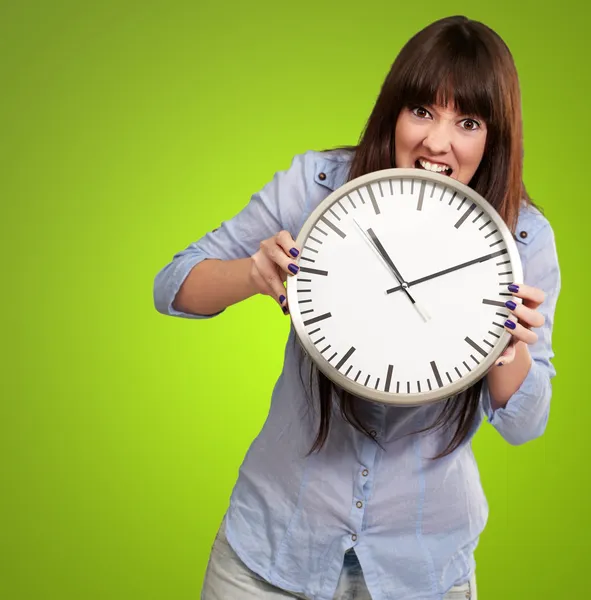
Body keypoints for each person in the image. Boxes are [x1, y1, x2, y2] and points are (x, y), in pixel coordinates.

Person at [153, 15, 561, 600]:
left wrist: (508, 352)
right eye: (421, 110)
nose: (437, 142)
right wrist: (252, 273)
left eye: (467, 121)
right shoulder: (317, 186)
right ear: (393, 110)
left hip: (420, 569)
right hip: (273, 551)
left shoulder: (521, 242)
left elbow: (525, 423)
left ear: (493, 137)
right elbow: (173, 284)